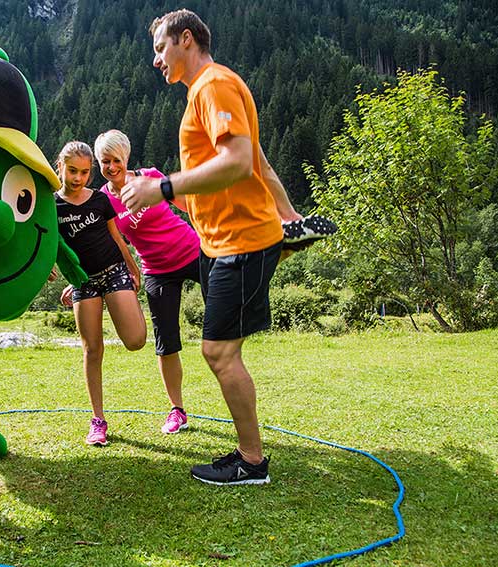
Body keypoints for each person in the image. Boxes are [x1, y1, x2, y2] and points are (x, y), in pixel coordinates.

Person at [120, 9, 302, 486]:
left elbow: (240, 161)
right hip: (228, 240)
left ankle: (252, 462)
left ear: (185, 39)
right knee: (220, 350)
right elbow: (257, 162)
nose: (156, 60)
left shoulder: (211, 86)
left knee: (219, 352)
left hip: (240, 242)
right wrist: (288, 216)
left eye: (160, 49)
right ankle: (250, 456)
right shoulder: (206, 91)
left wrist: (161, 190)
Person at [93, 129, 201, 434]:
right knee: (166, 343)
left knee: (229, 311)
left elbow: (187, 205)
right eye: (104, 161)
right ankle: (177, 410)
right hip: (157, 270)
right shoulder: (103, 201)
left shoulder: (150, 176)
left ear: (126, 158)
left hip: (193, 252)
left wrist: (213, 234)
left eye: (116, 159)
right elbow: (112, 243)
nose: (111, 166)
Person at [54, 141, 147, 446]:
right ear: (60, 166)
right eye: (72, 171)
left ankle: (130, 306)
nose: (77, 178)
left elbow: (116, 237)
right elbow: (46, 245)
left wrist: (133, 268)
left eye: (83, 172)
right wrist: (51, 271)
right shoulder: (51, 206)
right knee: (92, 350)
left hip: (115, 272)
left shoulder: (99, 201)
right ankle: (98, 420)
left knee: (135, 341)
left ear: (89, 172)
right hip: (84, 283)